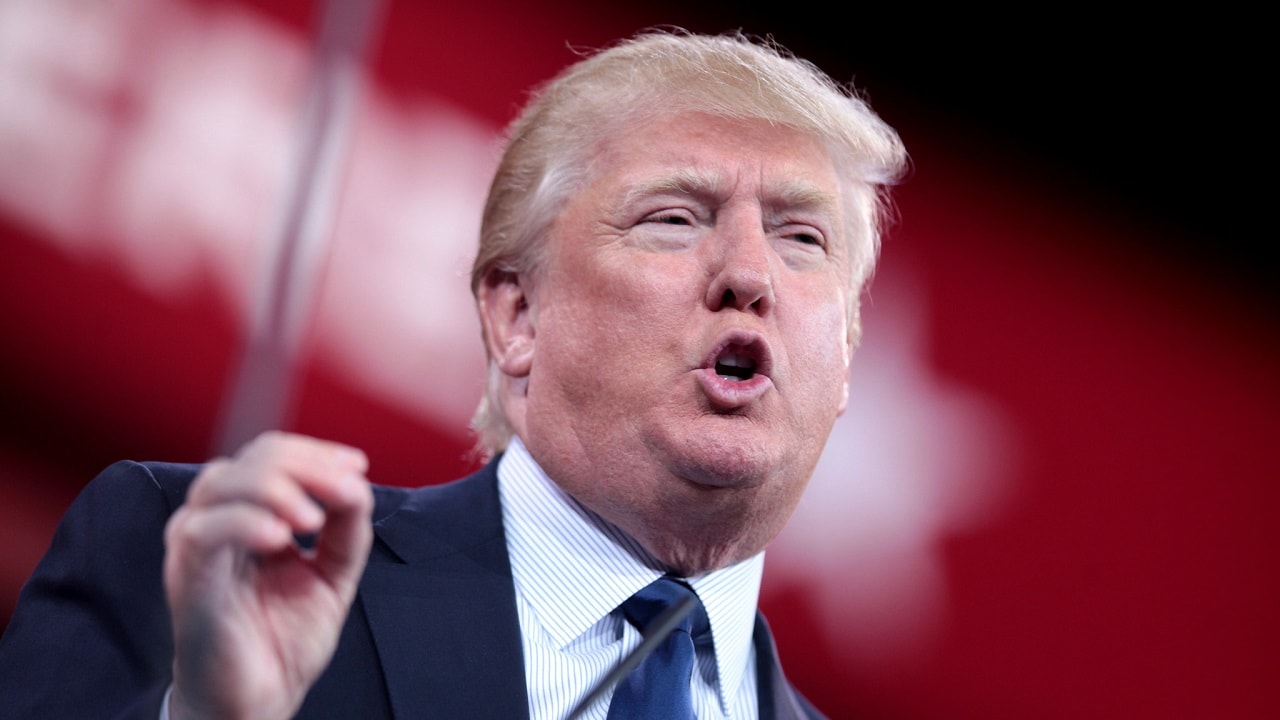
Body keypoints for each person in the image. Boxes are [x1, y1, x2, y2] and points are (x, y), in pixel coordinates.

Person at [0, 29, 906, 719]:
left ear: (848, 356)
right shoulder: (210, 572)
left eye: (802, 238)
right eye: (673, 218)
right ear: (517, 316)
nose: (749, 275)